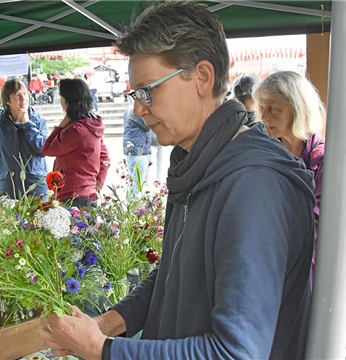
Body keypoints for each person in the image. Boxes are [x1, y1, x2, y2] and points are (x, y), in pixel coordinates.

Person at [39, 2, 316, 360]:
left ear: (202, 77)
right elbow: (172, 275)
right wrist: (106, 323)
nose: (139, 109)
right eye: (135, 95)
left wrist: (101, 350)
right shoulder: (196, 160)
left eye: (147, 91)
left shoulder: (254, 186)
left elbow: (235, 352)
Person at [254, 70, 325, 282]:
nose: (264, 116)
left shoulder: (321, 161)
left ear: (298, 110)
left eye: (273, 109)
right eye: (262, 108)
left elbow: (315, 229)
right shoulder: (264, 150)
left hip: (303, 274)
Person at [0, 78, 49, 199]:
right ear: (7, 101)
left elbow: (43, 150)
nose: (23, 99)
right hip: (8, 189)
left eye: (25, 94)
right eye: (17, 96)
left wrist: (27, 124)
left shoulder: (39, 121)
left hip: (35, 187)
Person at [42, 78, 110, 208]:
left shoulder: (76, 131)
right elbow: (105, 159)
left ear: (68, 100)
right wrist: (95, 186)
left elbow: (47, 149)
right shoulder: (93, 126)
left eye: (61, 96)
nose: (60, 100)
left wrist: (62, 124)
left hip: (72, 197)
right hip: (88, 196)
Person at [122, 103, 151, 194]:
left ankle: (131, 201)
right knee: (138, 179)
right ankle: (136, 203)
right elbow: (148, 125)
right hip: (137, 148)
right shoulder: (136, 112)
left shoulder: (128, 108)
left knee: (132, 178)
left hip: (130, 146)